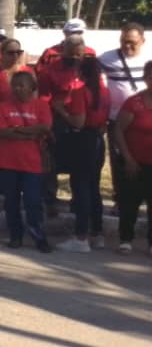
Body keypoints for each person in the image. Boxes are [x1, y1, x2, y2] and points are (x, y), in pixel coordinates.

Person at [0, 71, 53, 253]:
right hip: (8, 162)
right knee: (11, 201)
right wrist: (28, 132)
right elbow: (0, 131)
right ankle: (15, 235)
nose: (18, 89)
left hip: (32, 163)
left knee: (33, 201)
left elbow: (44, 127)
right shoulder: (3, 107)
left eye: (22, 85)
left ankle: (38, 235)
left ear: (32, 88)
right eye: (15, 85)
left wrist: (15, 130)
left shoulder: (41, 106)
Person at [54, 58, 110, 253]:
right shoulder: (105, 92)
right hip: (97, 139)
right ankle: (97, 232)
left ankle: (81, 236)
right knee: (93, 187)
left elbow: (78, 122)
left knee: (81, 188)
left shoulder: (81, 93)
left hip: (83, 140)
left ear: (81, 72)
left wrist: (61, 109)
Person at [39, 34, 94, 216]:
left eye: (79, 55)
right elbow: (44, 98)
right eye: (72, 55)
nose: (76, 59)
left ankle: (78, 202)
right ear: (63, 51)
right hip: (57, 120)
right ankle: (50, 201)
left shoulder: (88, 69)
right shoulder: (50, 70)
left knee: (79, 164)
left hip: (82, 120)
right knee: (52, 163)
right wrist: (47, 125)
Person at [98, 23, 148, 210]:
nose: (127, 46)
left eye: (132, 42)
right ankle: (121, 199)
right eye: (123, 42)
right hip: (115, 119)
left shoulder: (148, 59)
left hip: (144, 121)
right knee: (119, 162)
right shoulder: (107, 58)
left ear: (142, 41)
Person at [0, 39, 33, 213]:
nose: (15, 56)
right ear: (1, 54)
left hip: (22, 127)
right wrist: (7, 115)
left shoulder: (28, 73)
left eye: (18, 53)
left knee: (19, 163)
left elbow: (35, 99)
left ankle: (16, 196)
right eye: (10, 52)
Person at [113, 61, 152, 255]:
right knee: (129, 202)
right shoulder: (134, 102)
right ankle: (126, 239)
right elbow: (119, 130)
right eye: (151, 76)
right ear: (145, 78)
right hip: (133, 162)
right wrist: (127, 158)